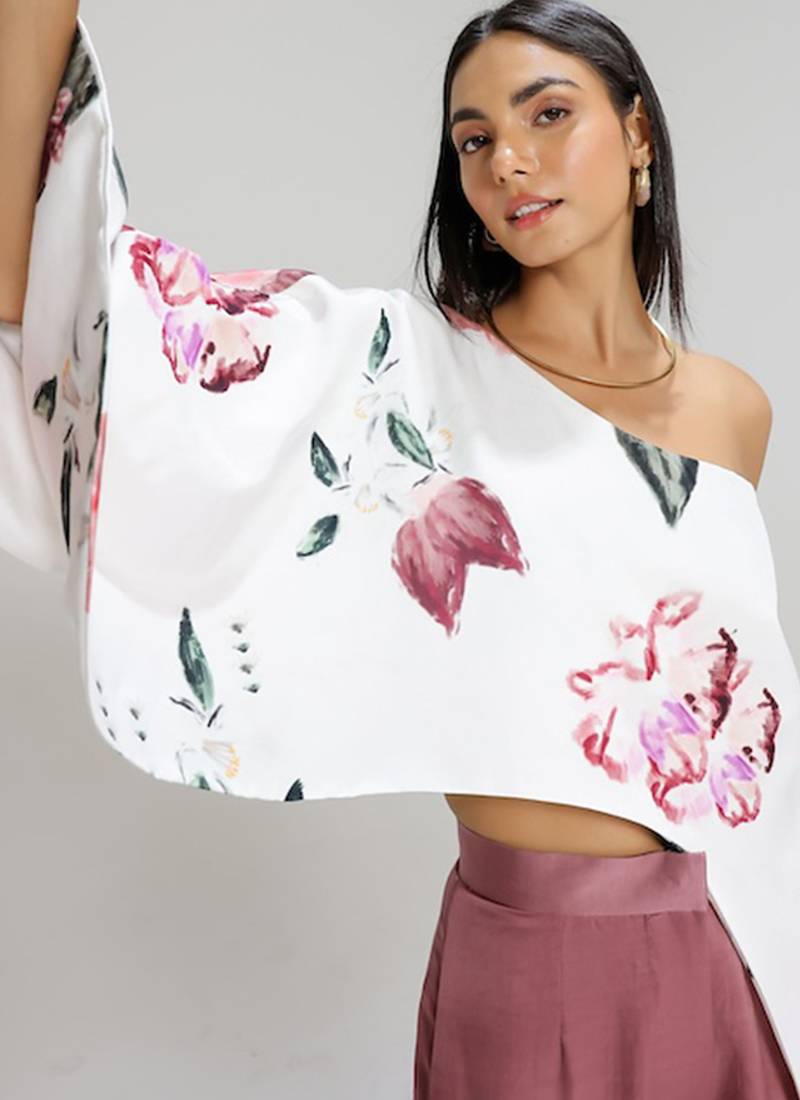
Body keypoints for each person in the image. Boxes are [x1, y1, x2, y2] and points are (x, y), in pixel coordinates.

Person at [0, 2, 798, 1097]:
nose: (506, 159)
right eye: (473, 138)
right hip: (525, 966)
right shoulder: (400, 382)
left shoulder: (733, 412)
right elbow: (81, 317)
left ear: (636, 133)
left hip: (730, 944)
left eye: (547, 114)